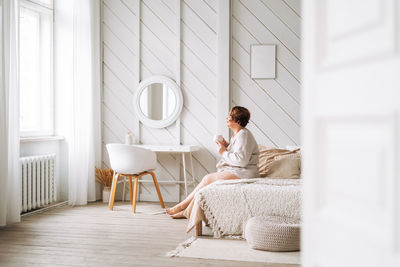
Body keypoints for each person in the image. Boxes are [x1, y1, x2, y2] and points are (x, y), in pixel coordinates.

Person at [166, 106, 259, 218]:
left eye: (230, 116)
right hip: (239, 171)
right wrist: (227, 145)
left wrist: (223, 152)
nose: (227, 118)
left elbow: (242, 161)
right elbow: (240, 152)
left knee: (207, 179)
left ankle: (182, 206)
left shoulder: (244, 135)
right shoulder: (239, 134)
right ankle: (187, 211)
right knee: (207, 182)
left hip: (244, 172)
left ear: (237, 120)